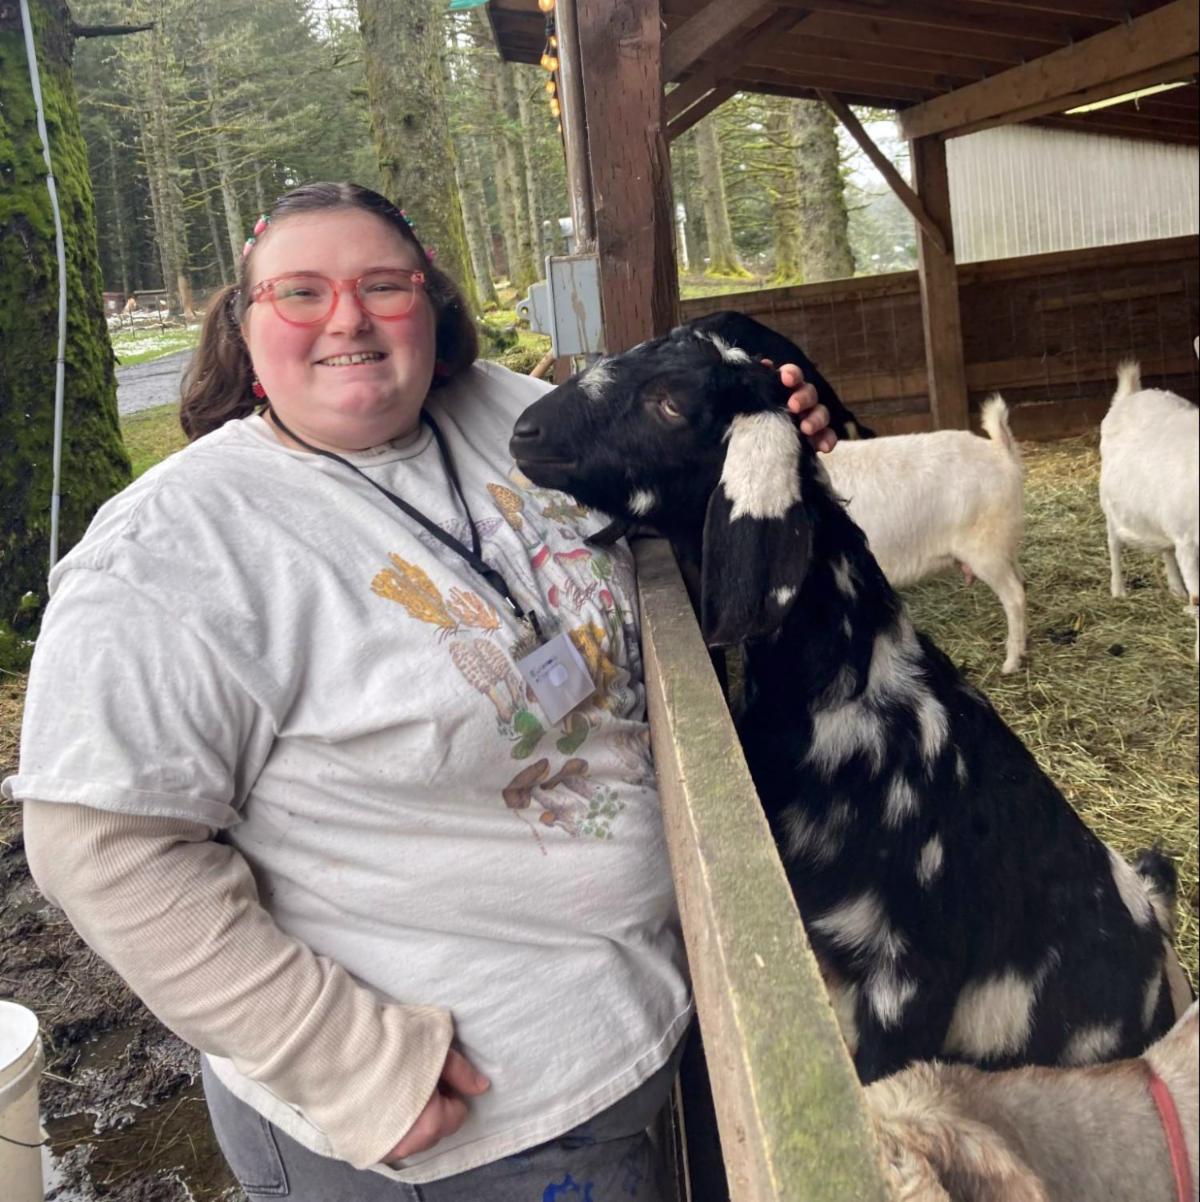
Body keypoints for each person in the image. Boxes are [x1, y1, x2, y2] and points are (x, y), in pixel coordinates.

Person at [5, 182, 835, 1200]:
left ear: (431, 309)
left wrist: (777, 437)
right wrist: (344, 1060)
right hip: (463, 1134)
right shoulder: (170, 554)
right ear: (245, 323)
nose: (346, 317)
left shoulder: (517, 416)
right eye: (299, 292)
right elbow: (100, 848)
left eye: (382, 285)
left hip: (651, 1025)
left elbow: (696, 491)